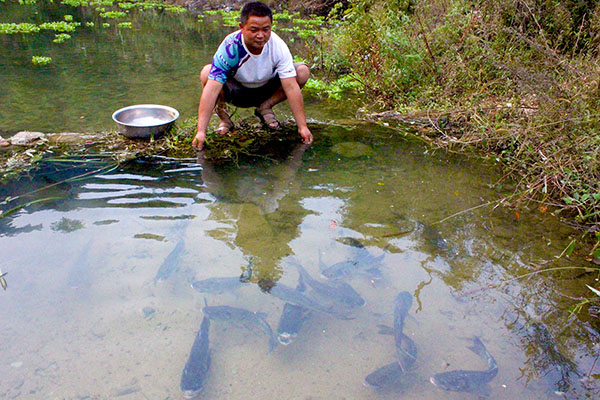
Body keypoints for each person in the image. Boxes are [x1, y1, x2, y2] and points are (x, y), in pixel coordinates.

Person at [192, 1, 313, 150]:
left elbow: (291, 87)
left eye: (266, 29)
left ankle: (265, 107)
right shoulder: (230, 47)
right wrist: (201, 131)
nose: (260, 35)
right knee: (206, 73)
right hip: (237, 92)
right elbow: (211, 89)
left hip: (266, 89)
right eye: (254, 30)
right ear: (241, 28)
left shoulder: (278, 46)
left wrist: (302, 127)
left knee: (302, 72)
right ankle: (224, 119)